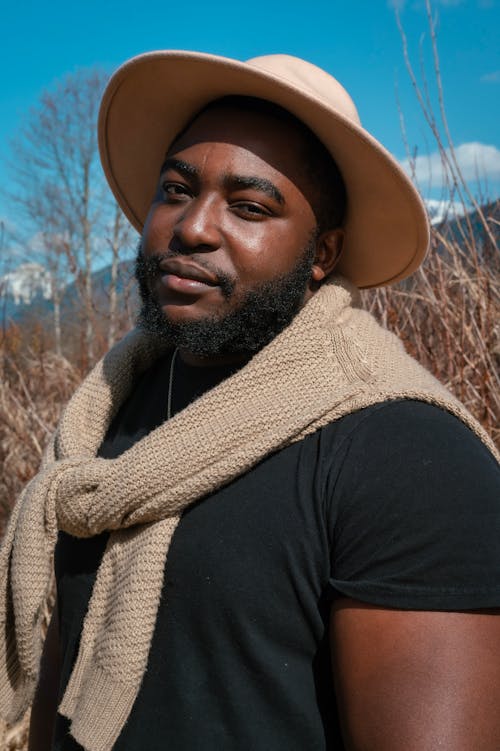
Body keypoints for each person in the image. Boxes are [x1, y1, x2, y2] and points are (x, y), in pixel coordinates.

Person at [1, 51, 499, 751]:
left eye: (250, 206)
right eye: (175, 189)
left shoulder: (407, 452)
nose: (194, 227)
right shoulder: (104, 413)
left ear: (322, 253)